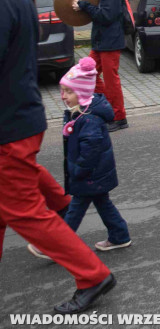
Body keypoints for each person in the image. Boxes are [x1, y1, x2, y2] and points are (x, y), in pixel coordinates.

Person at [0, 0, 117, 314]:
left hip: (9, 123)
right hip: (19, 116)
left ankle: (92, 274)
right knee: (16, 198)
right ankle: (67, 207)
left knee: (22, 210)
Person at [38, 58, 133, 258]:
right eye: (62, 91)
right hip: (95, 175)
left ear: (82, 93)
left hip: (89, 175)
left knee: (75, 210)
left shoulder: (88, 119)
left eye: (69, 91)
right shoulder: (80, 113)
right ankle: (120, 235)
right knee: (102, 203)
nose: (63, 96)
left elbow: (90, 151)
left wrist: (78, 171)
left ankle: (57, 246)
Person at [71, 0, 128, 131]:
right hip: (100, 42)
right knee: (87, 75)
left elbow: (105, 16)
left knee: (112, 83)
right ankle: (107, 108)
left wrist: (84, 5)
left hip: (110, 43)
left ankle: (119, 118)